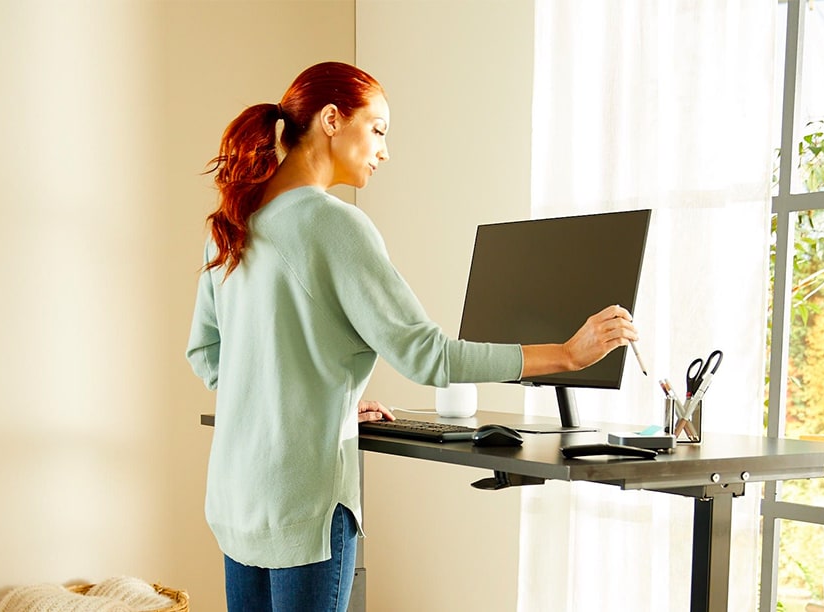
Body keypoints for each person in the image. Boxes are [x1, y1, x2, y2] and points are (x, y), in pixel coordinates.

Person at [185, 61, 637, 612]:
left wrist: (307, 405)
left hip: (237, 500)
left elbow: (209, 357)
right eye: (377, 130)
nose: (384, 150)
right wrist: (567, 355)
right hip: (302, 508)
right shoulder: (334, 226)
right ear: (332, 120)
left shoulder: (230, 225)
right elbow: (429, 356)